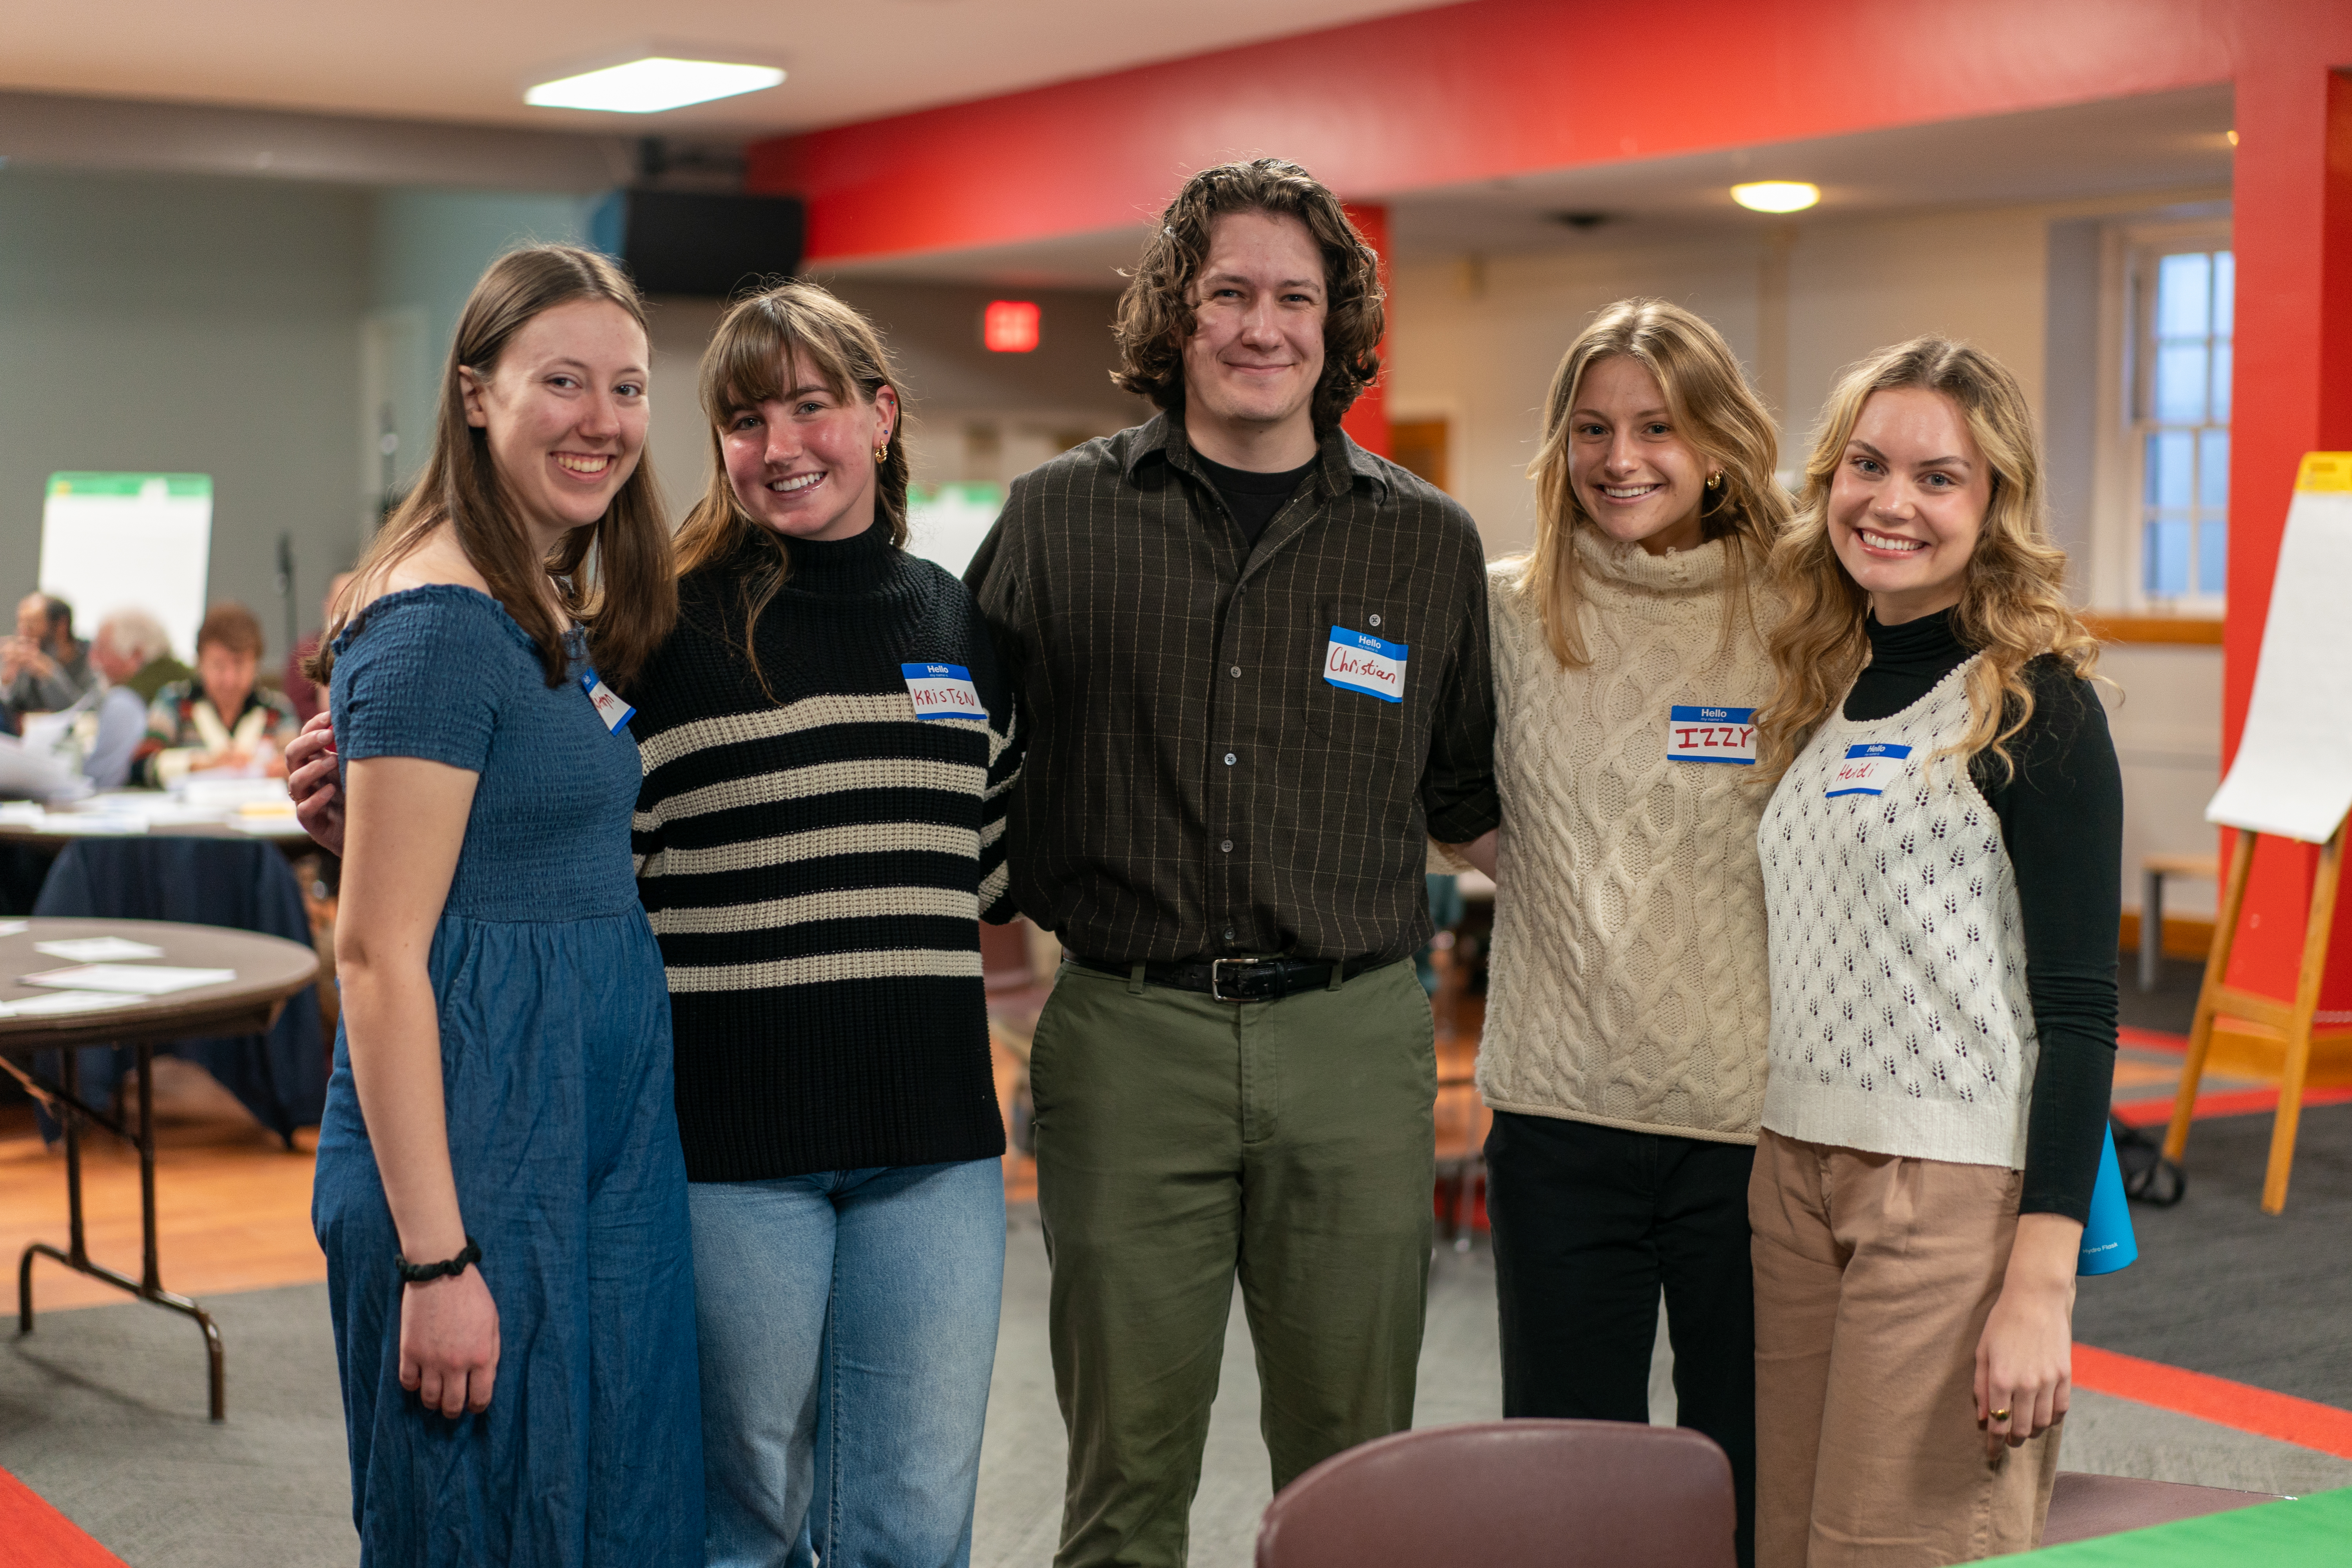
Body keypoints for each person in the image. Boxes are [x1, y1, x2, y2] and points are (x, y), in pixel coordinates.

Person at [291, 280, 1021, 1566]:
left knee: (915, 1519)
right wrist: (356, 802)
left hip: (935, 1135)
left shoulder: (966, 631)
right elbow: (545, 821)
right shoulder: (651, 627)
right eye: (745, 417)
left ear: (883, 415)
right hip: (733, 1132)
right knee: (732, 1508)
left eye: (813, 407)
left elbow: (996, 872)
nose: (782, 443)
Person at [966, 157, 1500, 1568]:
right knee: (1124, 1482)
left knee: (1353, 1482)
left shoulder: (1426, 543)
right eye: (1227, 294)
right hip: (1129, 1039)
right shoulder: (1056, 519)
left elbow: (1474, 792)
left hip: (1354, 1039)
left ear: (1336, 325)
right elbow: (948, 754)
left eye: (1294, 297)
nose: (1261, 326)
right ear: (1174, 314)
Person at [305, 243, 702, 1565]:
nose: (604, 421)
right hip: (480, 1135)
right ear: (476, 393)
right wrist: (435, 1260)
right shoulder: (437, 622)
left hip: (581, 1120)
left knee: (595, 1506)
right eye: (564, 382)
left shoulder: (541, 596)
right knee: (482, 1524)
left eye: (631, 389)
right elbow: (373, 956)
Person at [1749, 337, 2120, 1566]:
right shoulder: (1819, 684)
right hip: (1792, 1170)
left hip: (1945, 1192)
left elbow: (2076, 1013)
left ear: (1992, 502)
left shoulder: (2033, 699)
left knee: (1899, 1545)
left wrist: (2038, 1286)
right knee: (1798, 1536)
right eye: (1865, 464)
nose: (1890, 502)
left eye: (1936, 476)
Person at [1443, 298, 1787, 1566]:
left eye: (1656, 426)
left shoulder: (1800, 606)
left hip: (1747, 1133)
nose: (1621, 457)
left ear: (1718, 444)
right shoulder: (1506, 609)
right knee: (1572, 1501)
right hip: (1560, 1123)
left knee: (1746, 1486)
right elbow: (1435, 779)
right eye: (1592, 428)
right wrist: (1518, 864)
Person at [136, 602, 300, 784]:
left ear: (256, 665)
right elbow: (141, 766)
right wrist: (201, 764)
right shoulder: (174, 701)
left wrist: (284, 769)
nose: (229, 680)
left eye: (239, 666)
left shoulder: (277, 709)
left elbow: (296, 765)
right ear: (200, 663)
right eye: (219, 666)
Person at [84, 609, 179, 790]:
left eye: (103, 649)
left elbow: (102, 782)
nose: (93, 658)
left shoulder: (123, 701)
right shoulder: (190, 688)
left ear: (136, 654)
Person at [3, 593, 99, 715]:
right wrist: (7, 682)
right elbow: (15, 710)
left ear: (61, 626)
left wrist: (50, 674)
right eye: (20, 624)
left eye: (31, 624)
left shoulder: (94, 660)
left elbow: (87, 714)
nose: (23, 633)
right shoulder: (27, 663)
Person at [287, 571, 357, 724]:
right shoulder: (305, 652)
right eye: (342, 600)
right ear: (327, 604)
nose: (347, 608)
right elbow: (300, 710)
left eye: (354, 600)